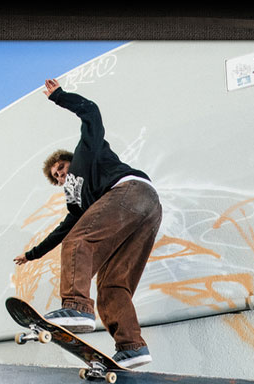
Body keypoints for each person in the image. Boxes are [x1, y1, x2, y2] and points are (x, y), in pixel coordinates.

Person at [13, 77, 161, 369]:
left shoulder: (87, 152)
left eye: (61, 168)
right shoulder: (76, 200)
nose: (61, 176)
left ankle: (76, 307)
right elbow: (64, 229)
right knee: (113, 285)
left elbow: (91, 112)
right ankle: (132, 347)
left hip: (130, 191)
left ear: (69, 160)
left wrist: (60, 96)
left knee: (79, 242)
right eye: (56, 177)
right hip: (146, 215)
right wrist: (32, 254)